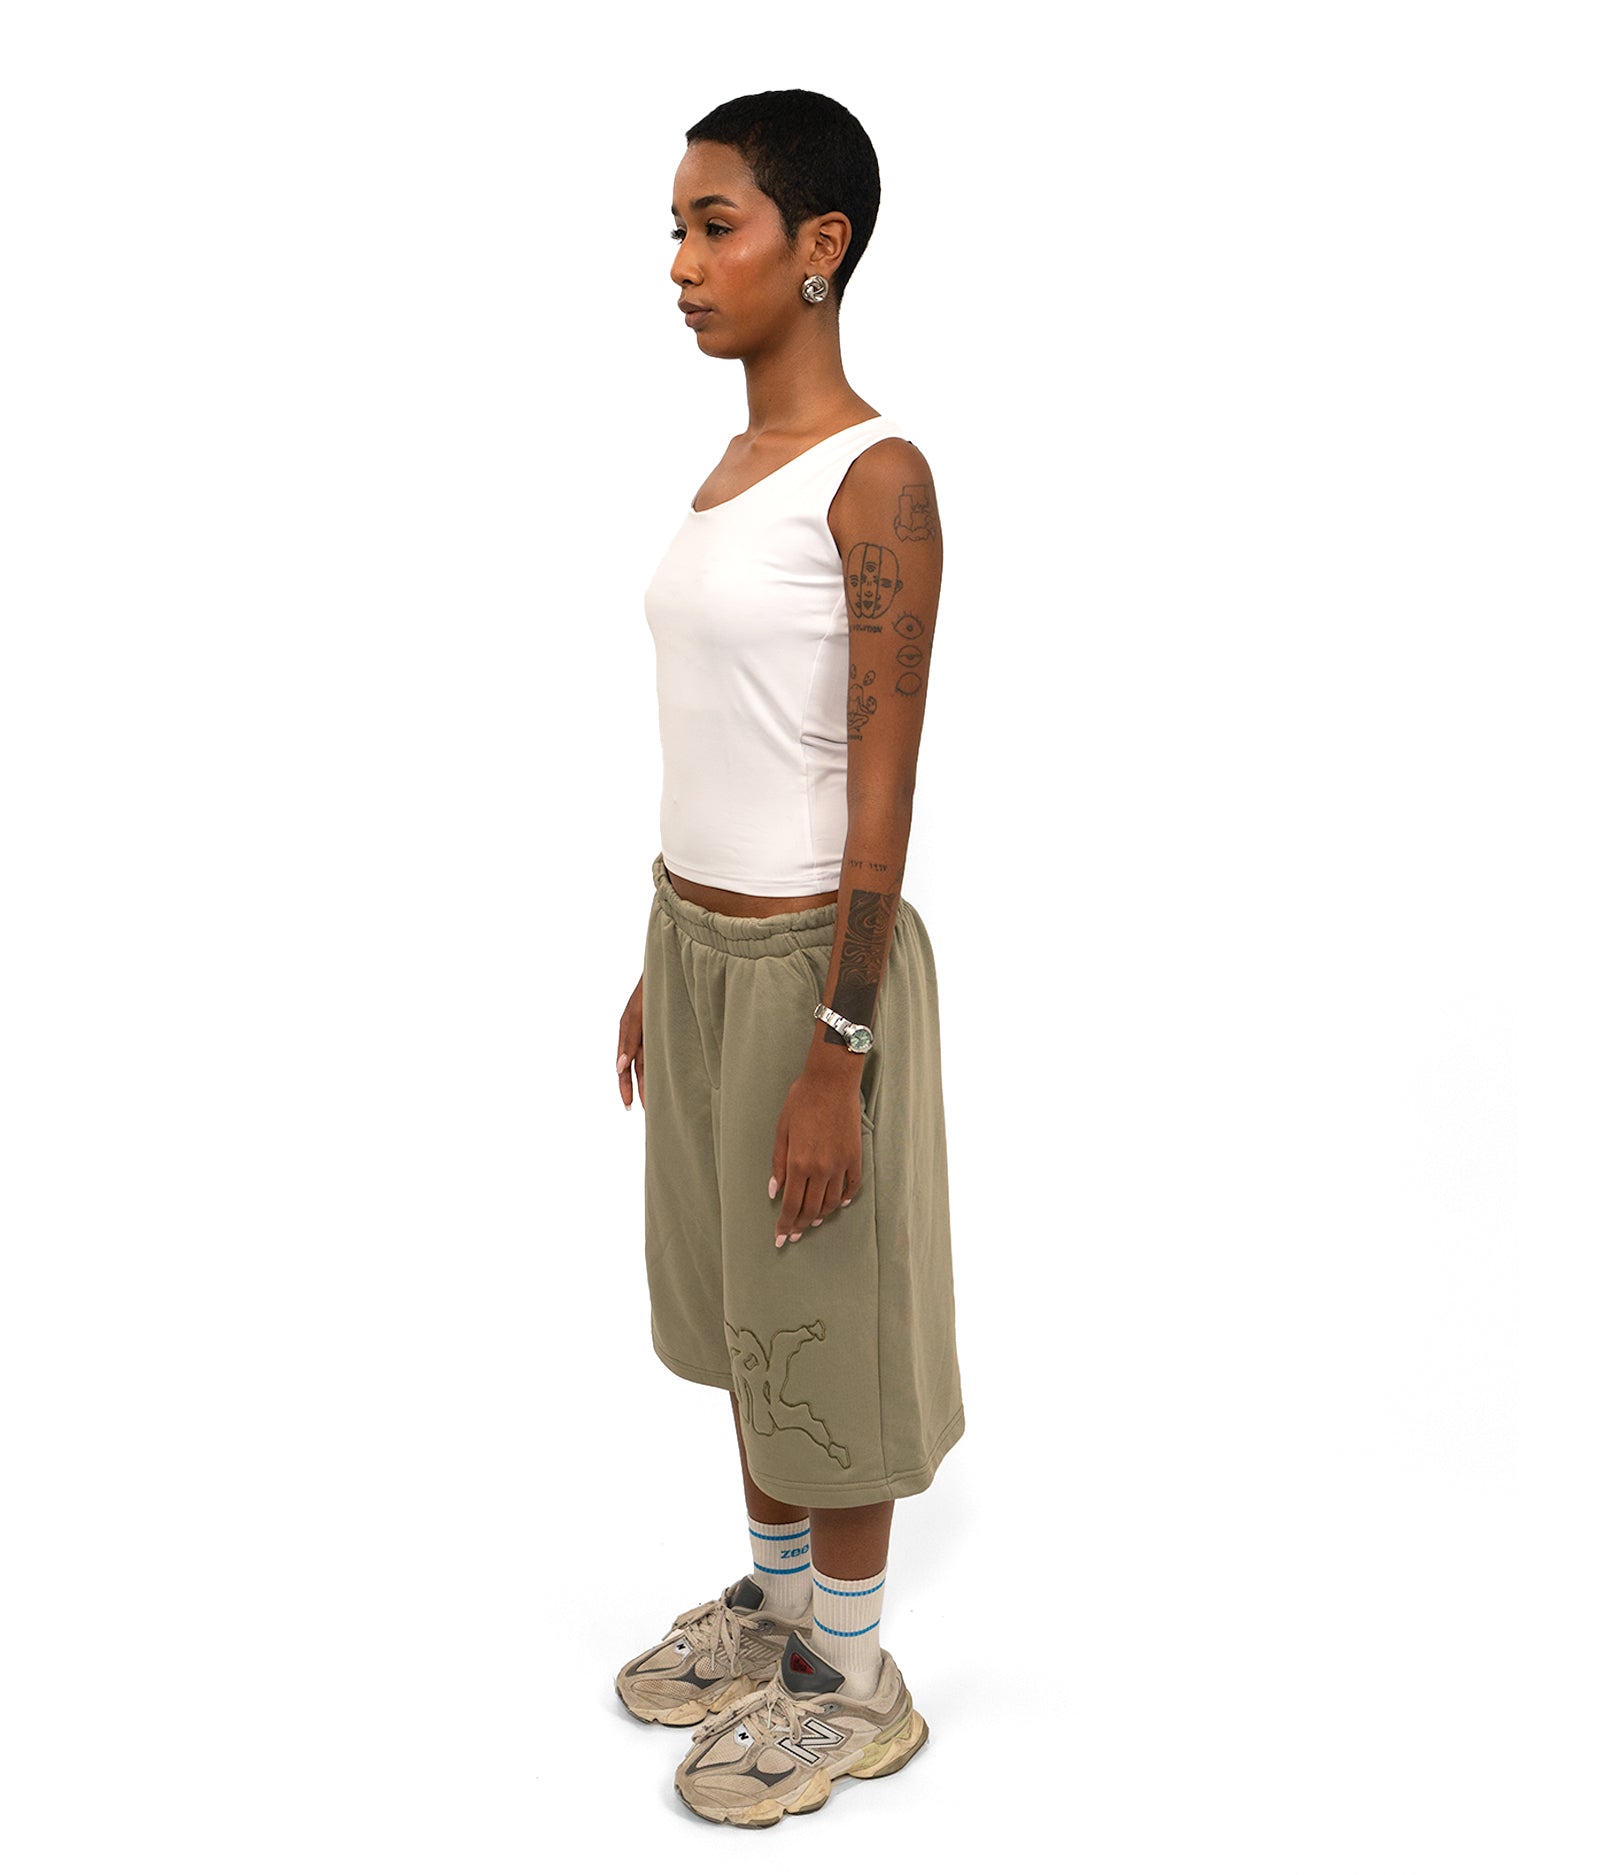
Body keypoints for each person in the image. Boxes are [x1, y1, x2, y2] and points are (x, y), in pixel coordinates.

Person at [612, 89, 964, 1830]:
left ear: (820, 245)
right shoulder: (731, 471)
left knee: (824, 1318)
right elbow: (720, 736)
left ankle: (851, 1680)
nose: (682, 265)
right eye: (674, 230)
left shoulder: (873, 480)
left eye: (717, 225)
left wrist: (842, 1037)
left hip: (814, 968)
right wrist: (658, 954)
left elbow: (881, 792)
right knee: (742, 1312)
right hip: (698, 947)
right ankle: (773, 1609)